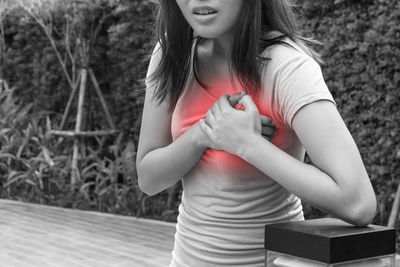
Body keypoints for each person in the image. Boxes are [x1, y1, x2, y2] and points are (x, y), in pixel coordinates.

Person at [136, 0, 377, 266]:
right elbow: (148, 178)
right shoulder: (173, 52)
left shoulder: (288, 67)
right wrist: (203, 133)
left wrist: (248, 144)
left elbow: (358, 203)